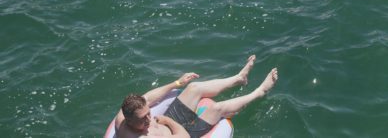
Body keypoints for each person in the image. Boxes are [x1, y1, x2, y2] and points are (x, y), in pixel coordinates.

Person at [114, 56, 278, 138]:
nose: (149, 119)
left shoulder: (123, 115)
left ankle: (238, 78)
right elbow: (183, 136)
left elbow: (148, 98)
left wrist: (177, 83)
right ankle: (259, 92)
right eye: (143, 118)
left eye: (148, 113)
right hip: (182, 132)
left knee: (193, 88)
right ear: (129, 121)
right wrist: (167, 121)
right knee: (215, 108)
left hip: (169, 120)